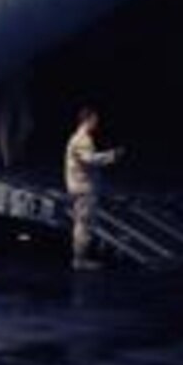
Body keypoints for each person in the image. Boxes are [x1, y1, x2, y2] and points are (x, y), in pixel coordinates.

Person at [64, 108, 123, 269]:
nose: (96, 123)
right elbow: (90, 160)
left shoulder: (78, 138)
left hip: (81, 185)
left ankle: (81, 258)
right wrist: (112, 155)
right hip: (83, 186)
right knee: (83, 224)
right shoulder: (83, 140)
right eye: (94, 120)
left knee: (84, 222)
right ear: (87, 120)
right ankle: (80, 260)